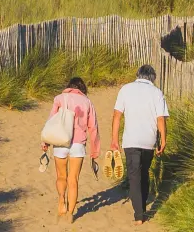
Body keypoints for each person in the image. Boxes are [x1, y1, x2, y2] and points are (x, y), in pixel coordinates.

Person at [109, 64, 169, 223]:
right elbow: (161, 119)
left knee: (134, 176)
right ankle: (141, 209)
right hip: (148, 141)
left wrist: (114, 139)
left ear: (138, 75)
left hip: (131, 140)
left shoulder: (125, 89)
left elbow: (117, 115)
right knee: (144, 174)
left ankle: (139, 214)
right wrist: (163, 140)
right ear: (152, 77)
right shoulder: (157, 92)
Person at [42, 76, 99, 222]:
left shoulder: (60, 98)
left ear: (69, 86)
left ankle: (62, 200)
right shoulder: (87, 102)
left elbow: (51, 121)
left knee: (61, 176)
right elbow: (93, 128)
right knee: (73, 179)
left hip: (61, 141)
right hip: (78, 144)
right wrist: (95, 150)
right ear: (82, 89)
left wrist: (45, 142)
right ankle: (71, 213)